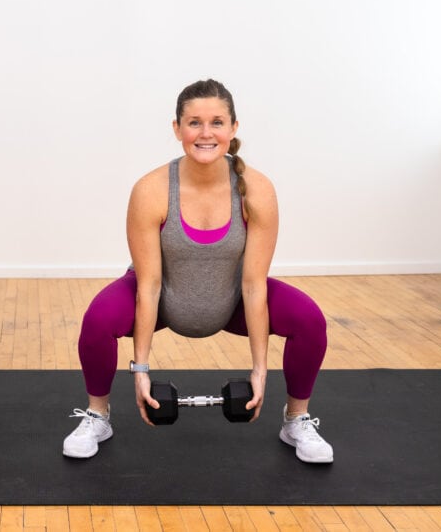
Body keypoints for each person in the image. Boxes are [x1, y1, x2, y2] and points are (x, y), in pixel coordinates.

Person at [62, 78, 333, 463]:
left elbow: (254, 286)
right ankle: (97, 414)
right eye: (194, 122)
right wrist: (140, 369)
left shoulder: (257, 189)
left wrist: (260, 369)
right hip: (164, 296)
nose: (205, 133)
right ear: (176, 129)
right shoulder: (152, 189)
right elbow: (150, 285)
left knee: (309, 318)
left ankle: (297, 419)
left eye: (217, 122)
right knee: (98, 318)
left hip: (233, 297)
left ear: (233, 128)